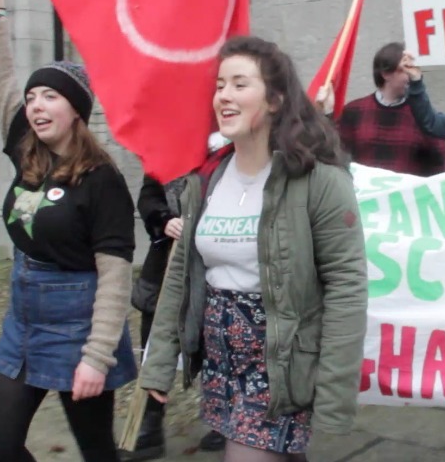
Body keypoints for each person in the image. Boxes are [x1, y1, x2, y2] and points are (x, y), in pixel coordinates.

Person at [140, 36, 368, 462]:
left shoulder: (318, 180)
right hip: (221, 367)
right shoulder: (208, 178)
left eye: (239, 84)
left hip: (281, 368)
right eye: (220, 85)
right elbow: (180, 275)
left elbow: (347, 285)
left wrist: (334, 393)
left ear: (276, 100)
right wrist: (159, 363)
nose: (223, 96)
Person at [0, 0, 138, 461]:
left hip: (78, 323)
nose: (36, 106)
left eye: (50, 96)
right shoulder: (26, 146)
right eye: (32, 98)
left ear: (76, 111)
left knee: (97, 452)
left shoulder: (102, 180)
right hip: (24, 318)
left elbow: (115, 274)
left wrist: (97, 356)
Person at [123, 134, 232, 461]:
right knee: (154, 340)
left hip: (217, 260)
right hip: (166, 264)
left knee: (220, 341)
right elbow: (149, 195)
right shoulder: (169, 142)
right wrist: (164, 219)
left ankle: (226, 418)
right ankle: (149, 423)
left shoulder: (235, 145)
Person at [337, 42, 445, 176]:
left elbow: (441, 169)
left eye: (415, 69)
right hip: (363, 189)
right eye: (406, 69)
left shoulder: (424, 116)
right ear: (386, 73)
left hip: (409, 189)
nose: (412, 76)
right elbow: (339, 159)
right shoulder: (354, 111)